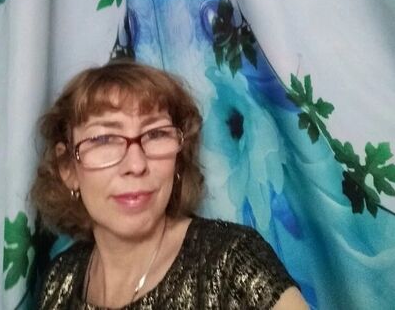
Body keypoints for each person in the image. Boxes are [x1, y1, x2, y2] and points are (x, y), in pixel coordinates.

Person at [31, 59, 308, 309]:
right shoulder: (60, 279)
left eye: (156, 134)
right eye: (104, 139)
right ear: (68, 168)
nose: (136, 165)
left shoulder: (233, 263)